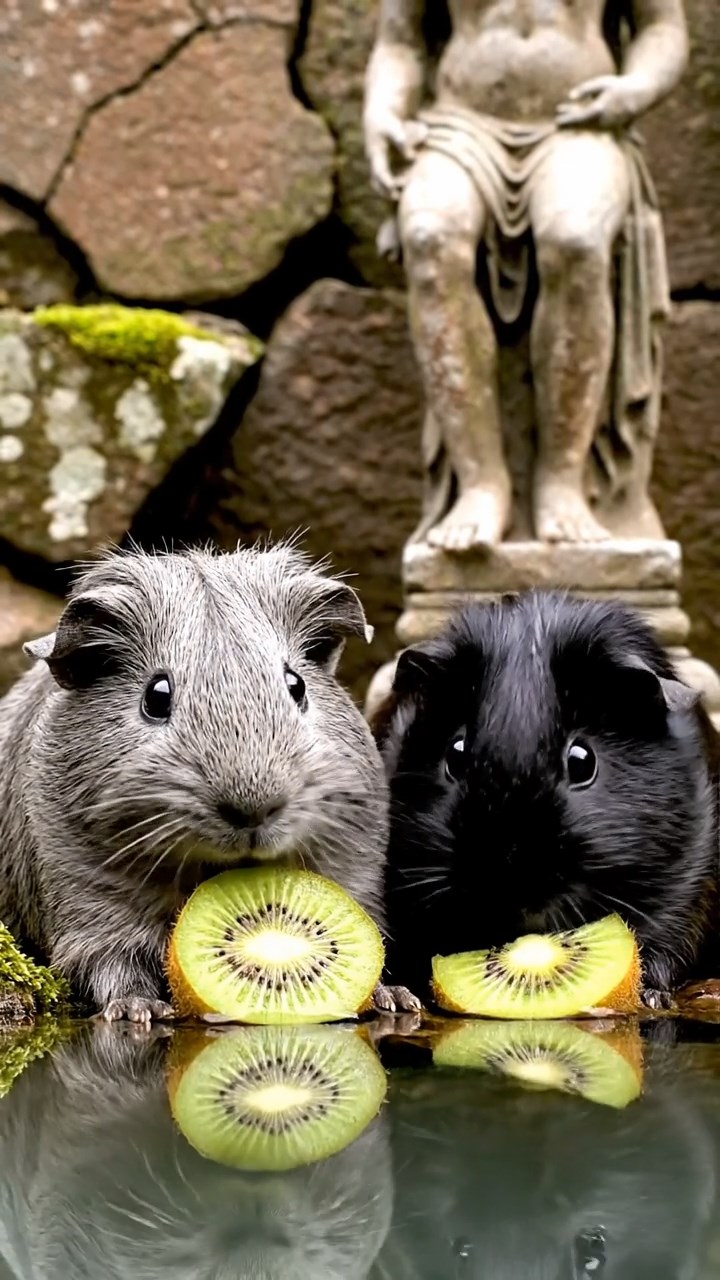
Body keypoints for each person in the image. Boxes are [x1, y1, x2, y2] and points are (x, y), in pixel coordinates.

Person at [364, 1, 688, 549]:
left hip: (577, 121)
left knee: (576, 236)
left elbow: (662, 26)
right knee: (429, 234)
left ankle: (563, 480)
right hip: (461, 126)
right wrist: (382, 110)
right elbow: (399, 41)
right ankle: (480, 482)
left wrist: (636, 88)